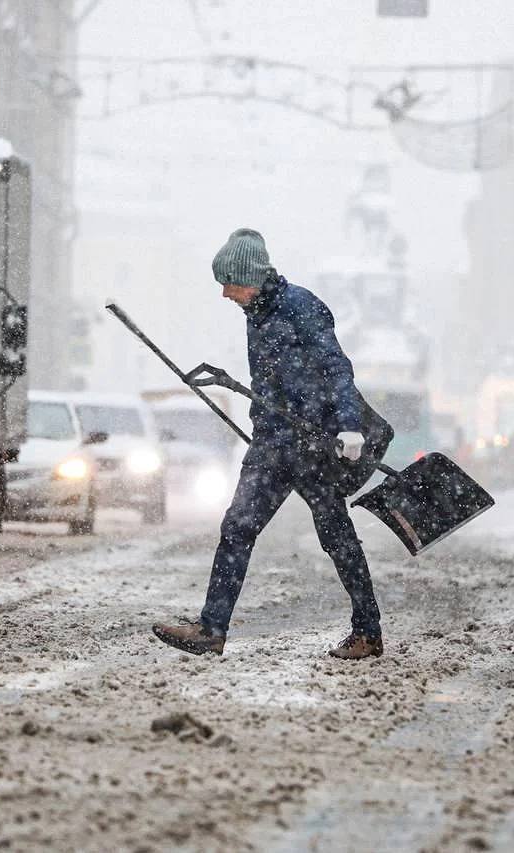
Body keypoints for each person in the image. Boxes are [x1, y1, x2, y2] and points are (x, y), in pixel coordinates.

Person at [152, 229, 384, 660]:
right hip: (272, 444)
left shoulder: (301, 306)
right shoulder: (255, 312)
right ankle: (211, 629)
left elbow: (337, 367)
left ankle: (367, 632)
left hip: (313, 446)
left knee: (336, 536)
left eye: (229, 283)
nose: (224, 293)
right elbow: (276, 380)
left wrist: (350, 426)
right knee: (237, 527)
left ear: (252, 277)